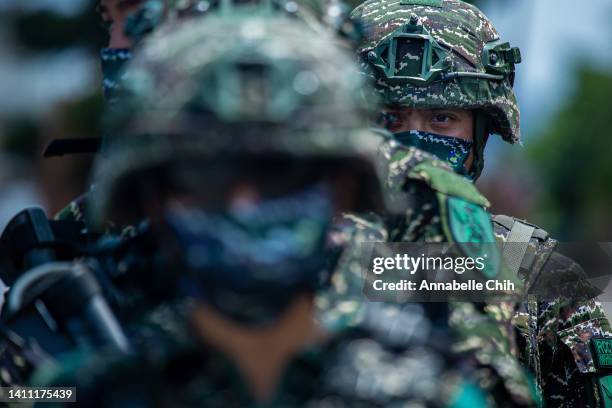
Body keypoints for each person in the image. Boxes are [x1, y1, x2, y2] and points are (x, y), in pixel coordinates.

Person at [31, 10, 535, 407]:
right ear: (157, 197)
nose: (246, 201)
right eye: (208, 175)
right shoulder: (79, 386)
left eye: (283, 173)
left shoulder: (437, 380)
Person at [349, 0, 612, 405]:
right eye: (389, 117)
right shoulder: (294, 261)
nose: (413, 145)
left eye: (441, 119)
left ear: (481, 132)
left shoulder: (538, 276)